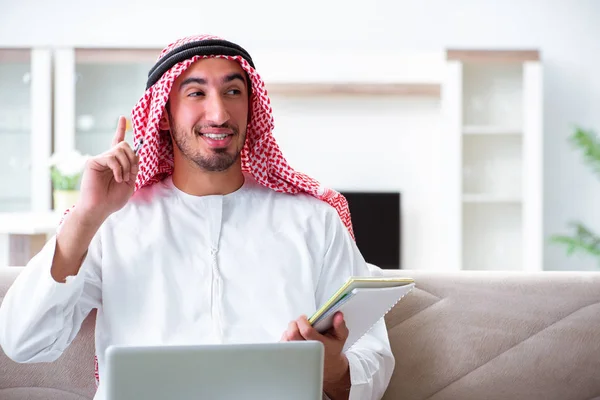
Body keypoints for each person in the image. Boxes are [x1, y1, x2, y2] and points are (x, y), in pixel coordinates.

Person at [0, 34, 394, 400]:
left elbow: (373, 360)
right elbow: (23, 341)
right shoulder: (112, 224)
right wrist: (87, 216)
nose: (219, 113)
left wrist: (333, 371)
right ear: (165, 115)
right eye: (196, 93)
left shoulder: (314, 222)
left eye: (232, 91)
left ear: (250, 106)